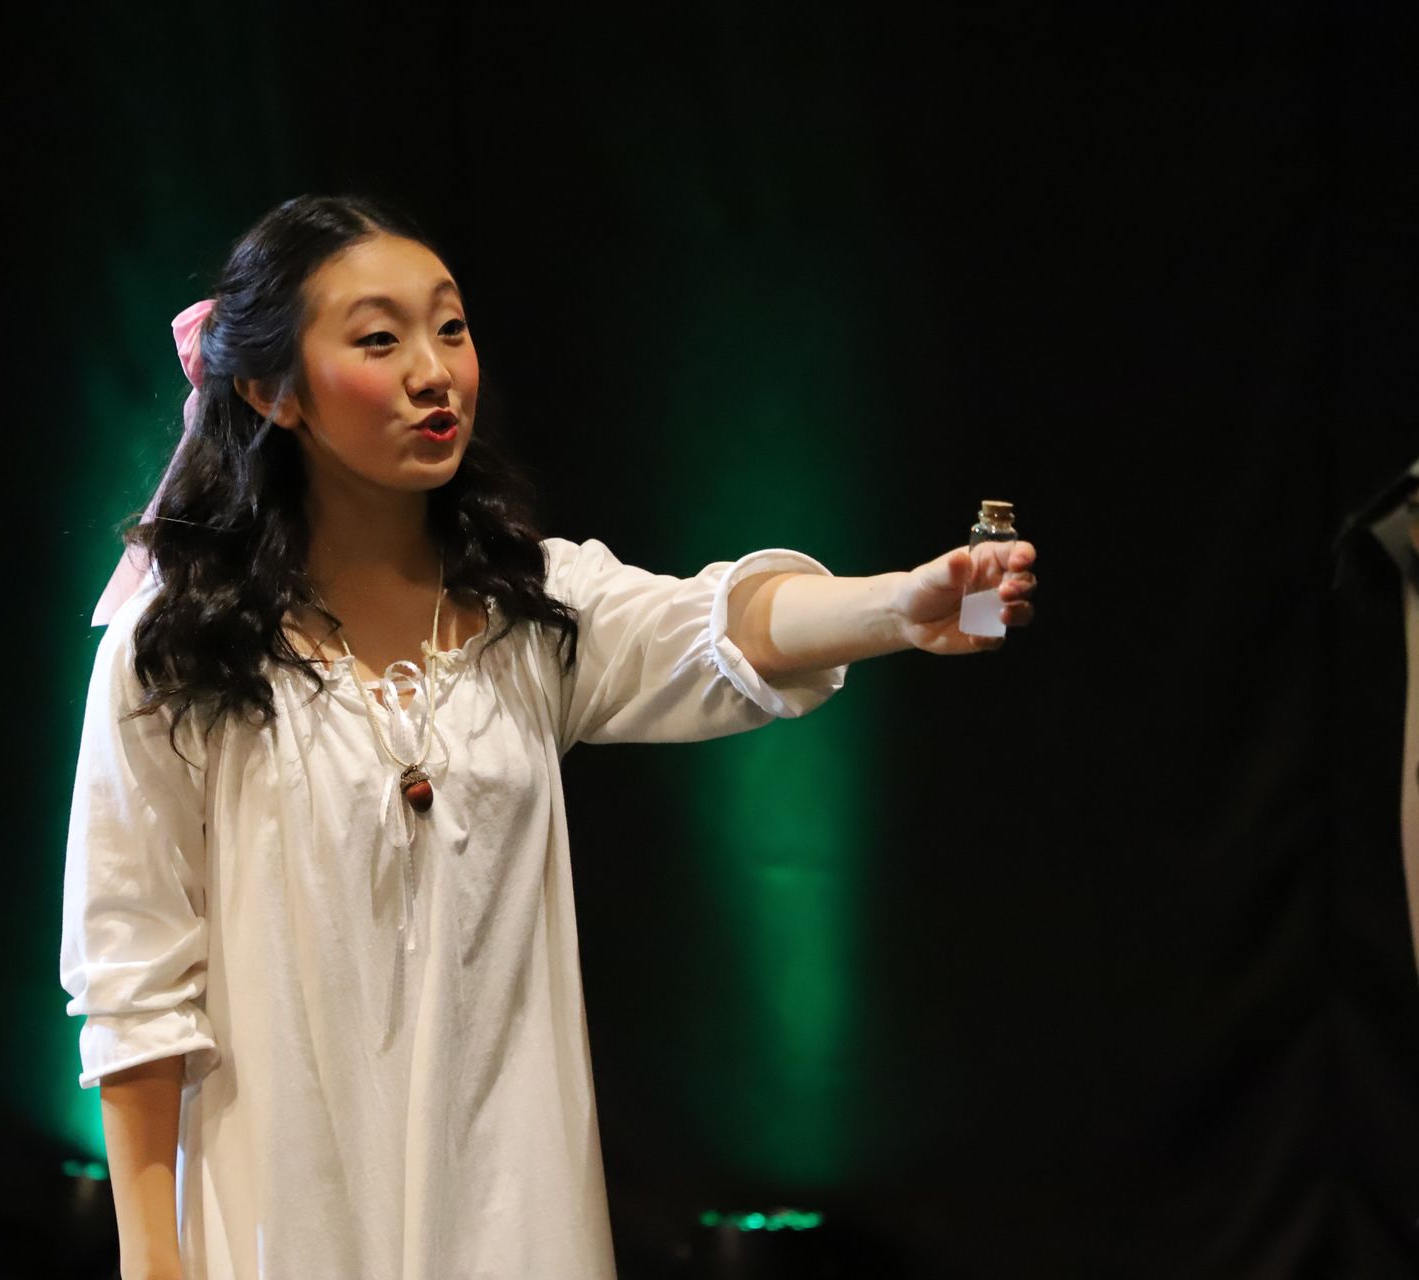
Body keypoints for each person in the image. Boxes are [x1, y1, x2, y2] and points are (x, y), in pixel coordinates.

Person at [59, 193, 1039, 1280]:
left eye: (451, 328)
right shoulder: (176, 652)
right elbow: (133, 975)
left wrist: (897, 605)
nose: (434, 371)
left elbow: (713, 624)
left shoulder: (528, 608)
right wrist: (153, 1258)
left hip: (507, 1217)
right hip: (283, 1219)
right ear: (268, 389)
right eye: (379, 340)